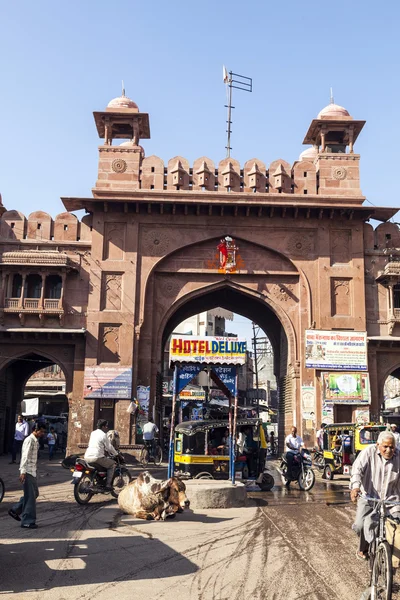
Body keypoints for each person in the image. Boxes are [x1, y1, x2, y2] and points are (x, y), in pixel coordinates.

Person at [350, 431, 400, 560]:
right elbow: (357, 470)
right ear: (378, 444)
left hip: (391, 499)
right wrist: (355, 487)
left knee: (397, 526)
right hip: (369, 497)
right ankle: (363, 548)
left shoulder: (398, 455)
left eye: (392, 447)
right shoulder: (368, 452)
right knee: (360, 526)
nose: (389, 450)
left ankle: (392, 561)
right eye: (385, 446)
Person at [8, 423, 47, 528]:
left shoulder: (35, 440)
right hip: (28, 471)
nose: (43, 433)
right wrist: (23, 472)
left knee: (34, 494)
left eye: (43, 432)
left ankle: (15, 509)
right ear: (35, 430)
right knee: (30, 496)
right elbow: (24, 456)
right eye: (41, 431)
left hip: (32, 471)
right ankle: (27, 521)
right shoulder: (29, 440)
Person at [84, 419, 118, 490]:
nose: (107, 428)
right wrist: (116, 454)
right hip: (97, 457)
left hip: (87, 456)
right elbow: (109, 447)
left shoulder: (93, 433)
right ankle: (108, 485)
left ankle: (99, 481)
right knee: (112, 465)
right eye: (106, 426)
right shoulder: (103, 435)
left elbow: (97, 444)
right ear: (103, 427)